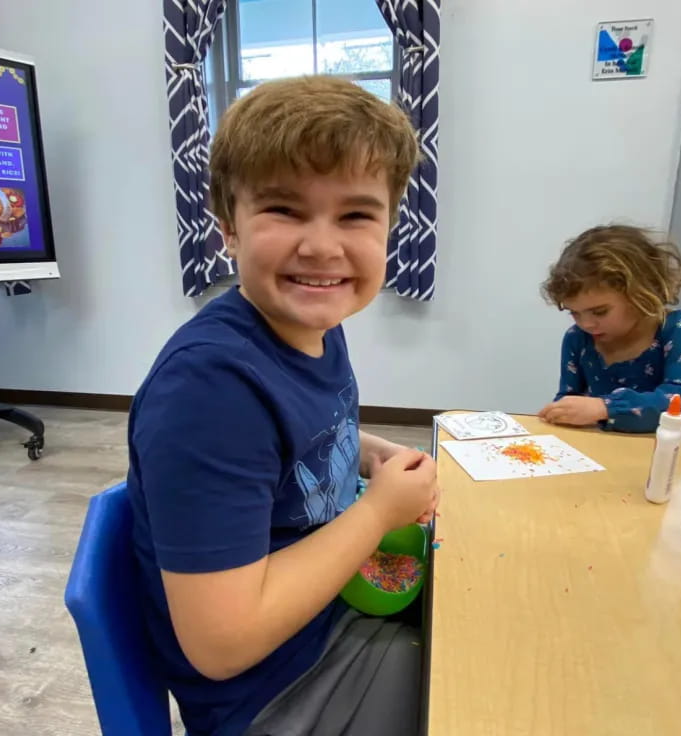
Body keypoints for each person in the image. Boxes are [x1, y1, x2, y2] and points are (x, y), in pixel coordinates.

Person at [126, 75, 440, 736]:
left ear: (391, 226)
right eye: (284, 210)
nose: (323, 246)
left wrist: (366, 451)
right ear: (226, 228)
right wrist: (381, 509)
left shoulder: (313, 328)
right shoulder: (210, 389)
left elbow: (294, 441)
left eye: (356, 215)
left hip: (329, 621)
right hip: (278, 695)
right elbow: (222, 644)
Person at [538, 225, 681, 433]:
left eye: (600, 312)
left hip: (659, 453)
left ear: (640, 293)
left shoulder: (675, 328)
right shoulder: (577, 338)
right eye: (575, 313)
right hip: (600, 453)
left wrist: (606, 408)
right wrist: (562, 412)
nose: (586, 324)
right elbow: (569, 399)